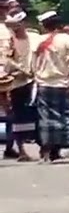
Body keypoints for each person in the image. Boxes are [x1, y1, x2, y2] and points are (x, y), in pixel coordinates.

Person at [32, 11, 69, 163]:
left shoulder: (37, 41)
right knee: (67, 117)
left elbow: (32, 65)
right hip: (62, 83)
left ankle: (46, 154)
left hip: (43, 84)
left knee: (45, 120)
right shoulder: (68, 40)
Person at [2, 9, 39, 161]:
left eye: (17, 25)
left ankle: (43, 148)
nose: (14, 28)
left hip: (35, 81)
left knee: (35, 115)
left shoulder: (35, 38)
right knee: (16, 117)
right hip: (15, 82)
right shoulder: (8, 41)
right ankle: (21, 149)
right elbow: (5, 60)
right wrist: (19, 68)